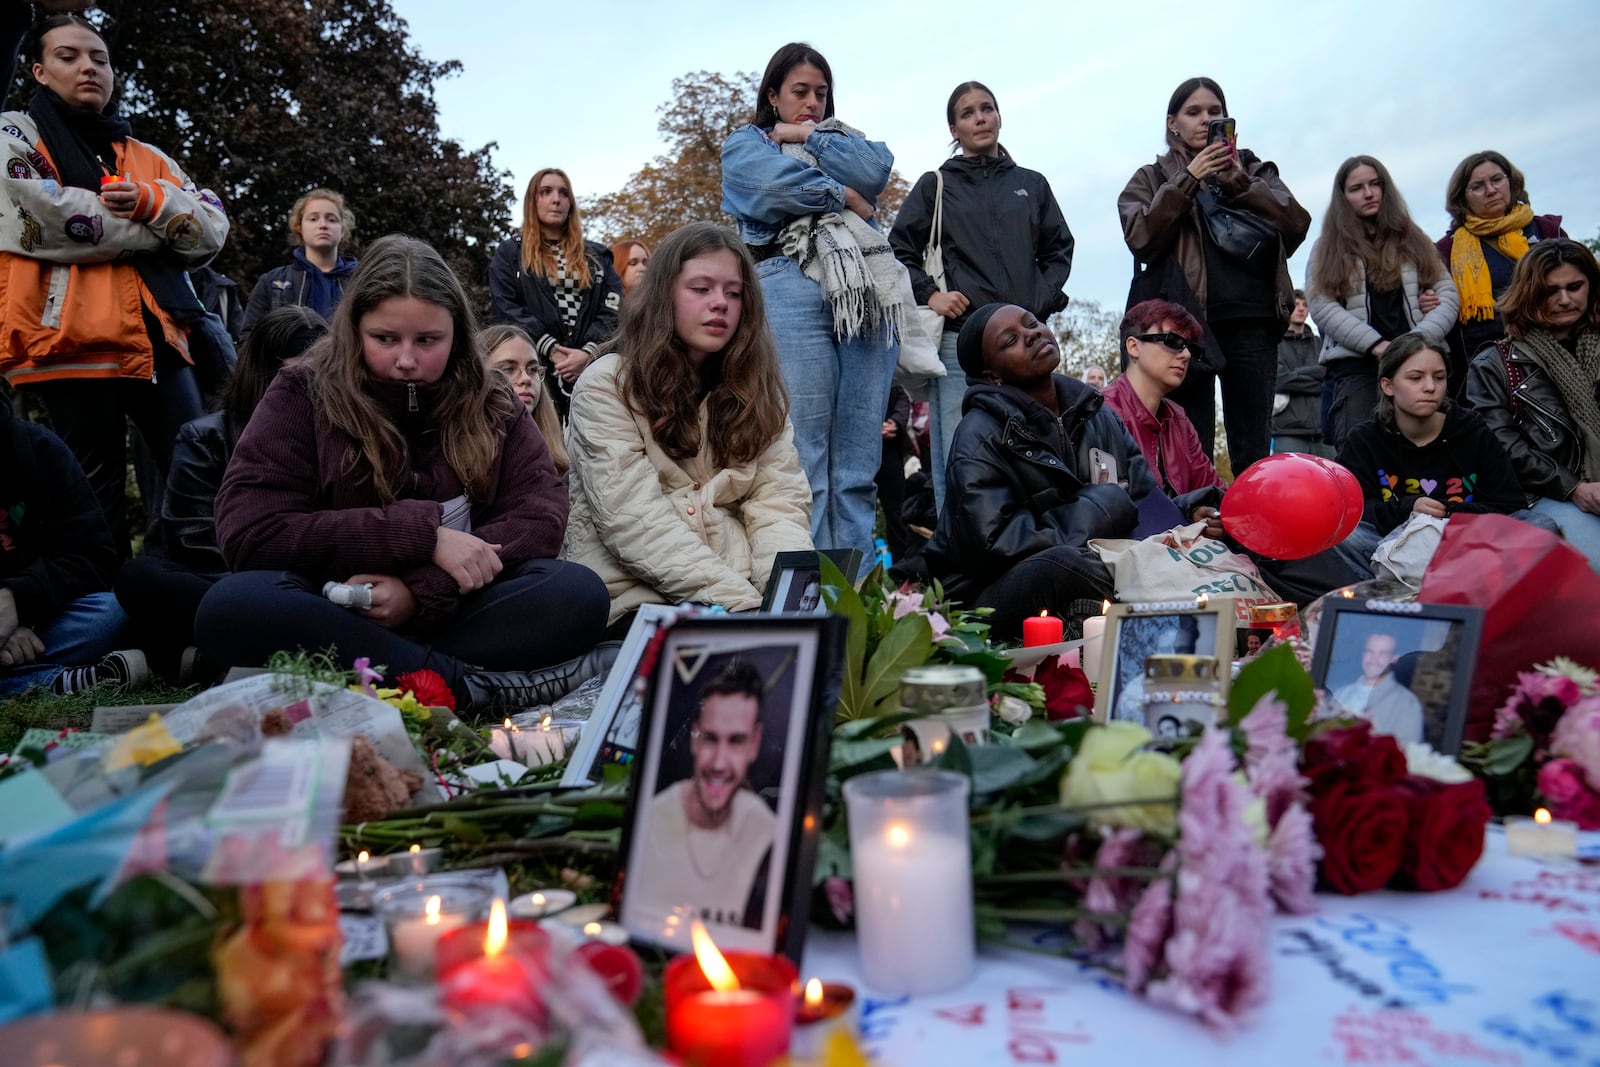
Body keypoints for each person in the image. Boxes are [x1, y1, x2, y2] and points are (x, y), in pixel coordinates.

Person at [199, 234, 611, 716]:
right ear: (355, 329)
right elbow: (250, 531)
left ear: (456, 333)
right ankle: (470, 688)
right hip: (331, 607)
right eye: (385, 339)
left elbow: (539, 516)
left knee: (576, 593)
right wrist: (421, 539)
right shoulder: (300, 393)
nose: (407, 360)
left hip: (457, 609)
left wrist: (421, 592)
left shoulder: (493, 401)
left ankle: (390, 673)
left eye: (428, 341)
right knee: (231, 607)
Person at [0, 14, 229, 557]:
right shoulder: (14, 133)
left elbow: (212, 225)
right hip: (65, 344)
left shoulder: (146, 155)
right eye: (69, 56)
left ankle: (187, 606)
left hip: (159, 341)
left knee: (194, 482)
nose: (88, 67)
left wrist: (151, 200)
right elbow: (45, 217)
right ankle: (109, 625)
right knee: (92, 500)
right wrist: (159, 230)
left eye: (100, 59)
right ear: (38, 70)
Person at [564, 222, 812, 631]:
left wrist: (786, 604)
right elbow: (633, 521)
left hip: (742, 593)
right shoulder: (607, 384)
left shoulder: (758, 393)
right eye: (701, 289)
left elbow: (779, 506)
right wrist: (741, 607)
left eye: (734, 293)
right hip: (634, 597)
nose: (721, 304)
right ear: (664, 295)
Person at [721, 42, 896, 572]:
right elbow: (764, 187)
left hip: (864, 291)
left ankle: (861, 605)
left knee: (858, 466)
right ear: (772, 95)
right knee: (805, 459)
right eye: (799, 93)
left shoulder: (837, 139)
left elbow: (876, 169)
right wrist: (841, 196)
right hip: (788, 280)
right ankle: (811, 604)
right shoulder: (744, 143)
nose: (812, 102)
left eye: (821, 94)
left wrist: (802, 137)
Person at [887, 80, 1075, 515]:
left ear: (999, 116)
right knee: (959, 454)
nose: (980, 117)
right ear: (954, 128)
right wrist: (932, 295)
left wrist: (1036, 303)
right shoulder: (937, 186)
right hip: (962, 346)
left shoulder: (1031, 184)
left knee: (1033, 448)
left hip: (1024, 344)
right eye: (968, 113)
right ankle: (959, 570)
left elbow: (1059, 249)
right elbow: (899, 250)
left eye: (987, 108)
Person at [114, 306, 327, 679]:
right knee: (140, 577)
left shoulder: (339, 436)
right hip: (236, 585)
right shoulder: (207, 438)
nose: (308, 388)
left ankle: (208, 663)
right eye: (295, 374)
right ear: (263, 374)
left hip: (313, 588)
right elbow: (192, 541)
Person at [921, 303, 1156, 641]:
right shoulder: (977, 435)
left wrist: (1196, 511)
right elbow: (995, 544)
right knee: (1063, 566)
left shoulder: (1096, 413)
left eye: (1032, 323)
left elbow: (1145, 497)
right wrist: (1100, 507)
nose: (1032, 334)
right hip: (988, 594)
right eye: (1010, 340)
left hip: (1096, 562)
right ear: (992, 376)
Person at [1118, 76, 1310, 473]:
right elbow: (1140, 237)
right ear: (1173, 123)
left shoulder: (1254, 168)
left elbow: (1296, 225)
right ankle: (1195, 528)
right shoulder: (1151, 177)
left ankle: (1254, 531)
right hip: (1185, 327)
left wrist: (1241, 182)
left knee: (1253, 447)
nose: (1205, 119)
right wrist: (1188, 178)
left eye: (1214, 112)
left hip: (1253, 320)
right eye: (1194, 112)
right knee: (1188, 443)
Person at [1306, 156, 1459, 450]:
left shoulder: (1414, 239)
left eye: (1376, 184)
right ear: (1343, 197)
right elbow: (1322, 305)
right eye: (1357, 188)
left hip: (1419, 361)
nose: (1369, 193)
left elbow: (1448, 295)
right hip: (1357, 365)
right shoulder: (1326, 246)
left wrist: (1415, 343)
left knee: (1436, 449)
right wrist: (1377, 346)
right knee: (1359, 450)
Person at [0, 392, 146, 696]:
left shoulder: (39, 450)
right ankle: (51, 682)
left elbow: (93, 559)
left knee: (111, 614)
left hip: (40, 624)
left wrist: (16, 600)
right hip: (17, 639)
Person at [1466, 239, 1600, 570]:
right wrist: (1574, 489)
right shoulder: (1495, 364)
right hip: (1551, 495)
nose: (1565, 299)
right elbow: (1501, 445)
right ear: (1528, 294)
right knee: (1592, 567)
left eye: (1574, 286)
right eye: (1550, 291)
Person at [1334, 333, 1533, 553]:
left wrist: (1448, 512)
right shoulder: (1365, 440)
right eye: (1415, 378)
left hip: (1465, 543)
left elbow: (1511, 505)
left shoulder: (1472, 430)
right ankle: (1387, 587)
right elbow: (1348, 511)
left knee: (1540, 525)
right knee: (1341, 538)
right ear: (1387, 386)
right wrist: (1408, 508)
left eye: (1439, 377)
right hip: (1389, 546)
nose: (1430, 387)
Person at [632, 660, 777, 929]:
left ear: (754, 743)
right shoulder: (651, 823)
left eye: (736, 741)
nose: (719, 763)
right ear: (695, 738)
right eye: (710, 738)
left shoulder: (767, 831)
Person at [488, 168, 623, 421]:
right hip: (533, 370)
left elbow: (613, 307)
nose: (556, 199)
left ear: (570, 202)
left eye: (563, 193)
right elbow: (505, 306)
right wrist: (551, 349)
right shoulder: (510, 254)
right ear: (533, 200)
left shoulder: (598, 256)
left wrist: (589, 352)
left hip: (593, 367)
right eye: (546, 191)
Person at [1438, 151, 1566, 379]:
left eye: (1497, 179)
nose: (1490, 190)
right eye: (1477, 186)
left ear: (1511, 181)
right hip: (1488, 365)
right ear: (1462, 197)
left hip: (1557, 350)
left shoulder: (1547, 230)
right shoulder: (1446, 250)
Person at [1100, 300, 1225, 507]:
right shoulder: (1101, 413)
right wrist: (1189, 512)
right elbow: (1113, 510)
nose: (1186, 355)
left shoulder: (1179, 420)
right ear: (1134, 346)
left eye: (1189, 347)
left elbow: (1215, 493)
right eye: (1173, 341)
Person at [239, 187, 358, 339]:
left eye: (332, 219)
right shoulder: (271, 282)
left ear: (342, 230)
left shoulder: (361, 282)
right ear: (299, 228)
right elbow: (248, 339)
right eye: (313, 219)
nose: (323, 225)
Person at [479, 323, 569, 477]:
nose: (526, 378)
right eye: (508, 369)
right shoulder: (456, 454)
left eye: (533, 369)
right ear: (478, 375)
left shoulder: (562, 461)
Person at [1331, 632, 1423, 743]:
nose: (1374, 659)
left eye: (1383, 654)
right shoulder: (1340, 694)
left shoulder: (1407, 703)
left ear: (1394, 658)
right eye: (1370, 651)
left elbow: (1408, 751)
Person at [1272, 290, 1330, 457]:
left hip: (1322, 430)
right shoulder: (1276, 344)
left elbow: (1328, 375)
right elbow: (1279, 380)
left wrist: (1293, 375)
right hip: (1287, 430)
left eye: (1305, 305)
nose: (1301, 309)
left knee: (1331, 481)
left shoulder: (1320, 343)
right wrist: (1316, 379)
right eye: (1296, 304)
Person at [875, 384, 913, 562]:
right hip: (853, 449)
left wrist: (895, 423)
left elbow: (901, 394)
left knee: (897, 513)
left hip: (887, 449)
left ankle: (903, 571)